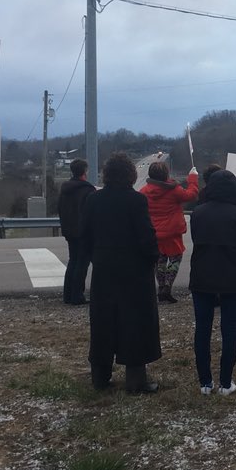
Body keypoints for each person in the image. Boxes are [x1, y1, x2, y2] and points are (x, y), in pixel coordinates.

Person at [81, 153, 161, 394]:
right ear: (131, 175)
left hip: (104, 269)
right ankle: (136, 380)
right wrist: (152, 258)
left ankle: (100, 375)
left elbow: (85, 235)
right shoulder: (136, 201)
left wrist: (96, 257)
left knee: (103, 322)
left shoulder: (93, 199)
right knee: (135, 323)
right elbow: (146, 236)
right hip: (134, 272)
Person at [189, 169, 236, 395]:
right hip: (231, 277)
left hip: (201, 277)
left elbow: (195, 238)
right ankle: (226, 382)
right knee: (229, 329)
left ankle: (205, 382)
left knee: (202, 329)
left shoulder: (198, 213)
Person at [139, 161, 199, 303]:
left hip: (154, 232)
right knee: (175, 259)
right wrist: (192, 179)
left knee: (159, 261)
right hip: (172, 232)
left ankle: (161, 287)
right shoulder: (174, 190)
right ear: (166, 174)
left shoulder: (144, 192)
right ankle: (167, 286)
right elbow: (191, 195)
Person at [58, 158, 96, 305]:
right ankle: (77, 295)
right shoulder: (87, 190)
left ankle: (68, 295)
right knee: (82, 263)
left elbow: (60, 209)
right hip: (83, 232)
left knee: (73, 261)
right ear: (84, 171)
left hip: (69, 230)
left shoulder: (65, 189)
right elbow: (90, 213)